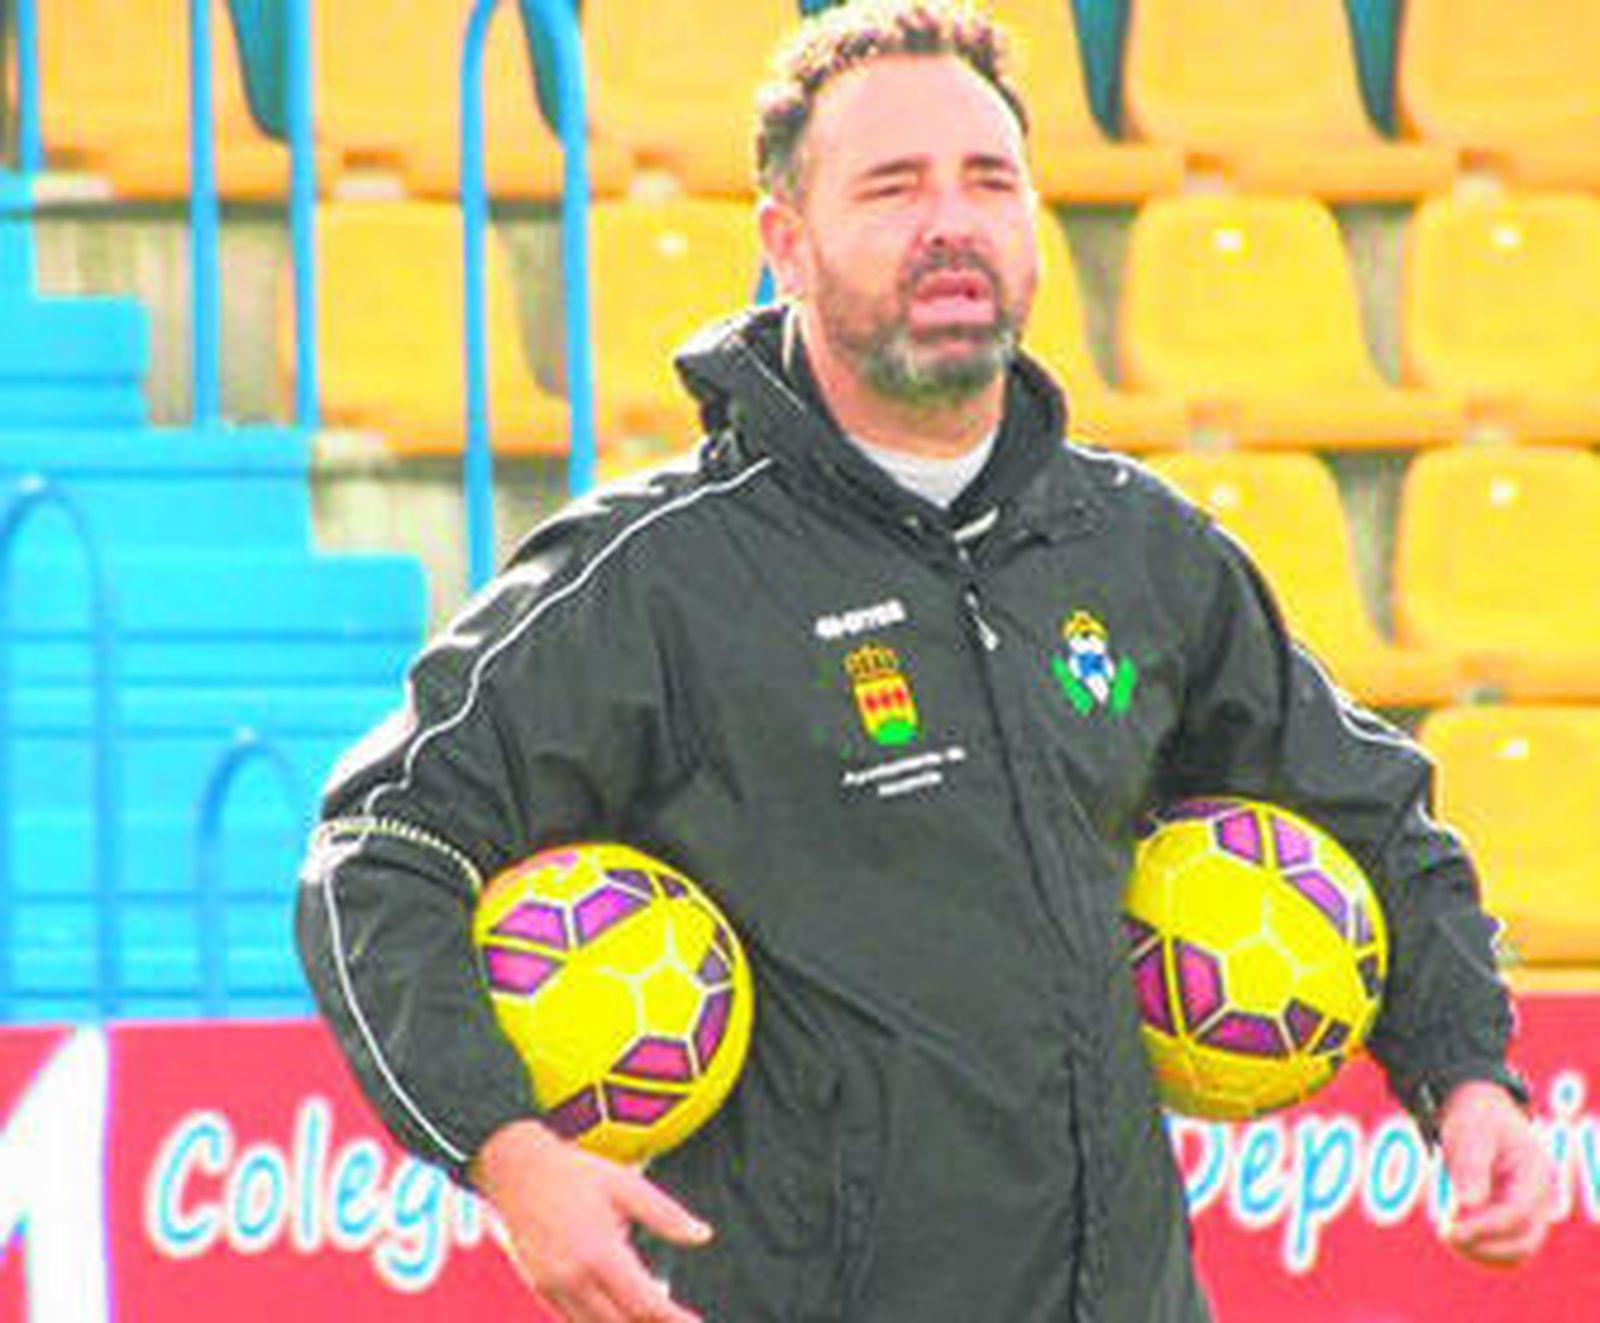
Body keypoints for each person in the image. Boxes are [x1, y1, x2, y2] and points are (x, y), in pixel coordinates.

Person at [295, 2, 1556, 1318]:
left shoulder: (1138, 551)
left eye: (988, 181)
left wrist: (1465, 1079)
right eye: (892, 187)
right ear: (786, 241)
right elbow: (379, 855)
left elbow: (1371, 813)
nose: (950, 222)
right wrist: (506, 1153)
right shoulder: (654, 580)